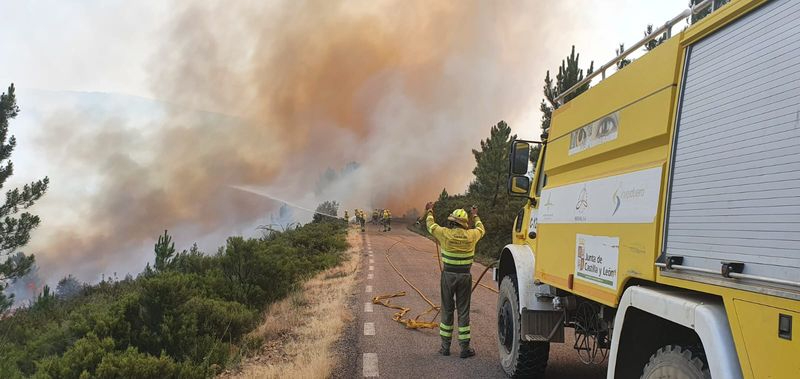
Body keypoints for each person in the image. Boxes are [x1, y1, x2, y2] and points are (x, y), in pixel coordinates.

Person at [425, 202, 485, 358]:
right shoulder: (472, 235)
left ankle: (445, 347)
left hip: (448, 276)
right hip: (465, 276)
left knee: (447, 309)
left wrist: (430, 210)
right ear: (464, 224)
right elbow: (481, 229)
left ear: (452, 222)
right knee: (463, 311)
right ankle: (464, 349)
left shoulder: (444, 233)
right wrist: (475, 215)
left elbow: (430, 225)